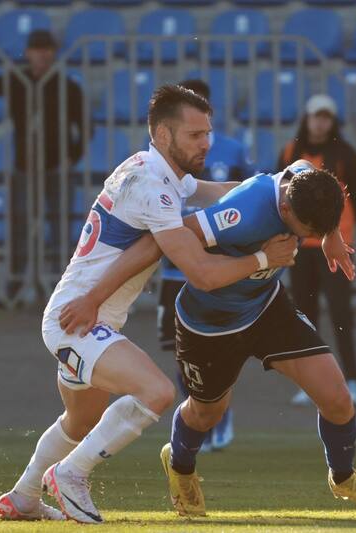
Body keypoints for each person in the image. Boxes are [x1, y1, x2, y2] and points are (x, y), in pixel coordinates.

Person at [0, 85, 298, 523]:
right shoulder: (153, 186)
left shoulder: (157, 172)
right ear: (162, 135)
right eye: (194, 135)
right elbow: (203, 275)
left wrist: (275, 190)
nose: (205, 142)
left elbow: (219, 192)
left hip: (88, 314)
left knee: (79, 423)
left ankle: (22, 496)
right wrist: (266, 258)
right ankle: (72, 474)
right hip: (77, 319)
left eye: (207, 132)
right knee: (157, 392)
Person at [79, 159, 356, 516]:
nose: (306, 237)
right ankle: (179, 466)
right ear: (286, 207)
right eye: (306, 229)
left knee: (338, 398)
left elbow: (306, 169)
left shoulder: (305, 183)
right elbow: (173, 237)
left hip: (265, 307)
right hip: (208, 323)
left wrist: (331, 233)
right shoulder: (243, 210)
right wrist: (261, 258)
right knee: (207, 414)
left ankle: (343, 477)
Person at [156, 78, 252, 453]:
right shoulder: (163, 160)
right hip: (172, 270)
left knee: (219, 351)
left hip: (215, 264)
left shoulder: (230, 149)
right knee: (183, 355)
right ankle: (198, 418)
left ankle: (220, 419)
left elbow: (247, 193)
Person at [0, 22, 87, 293]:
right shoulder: (16, 80)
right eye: (36, 49)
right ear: (28, 52)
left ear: (54, 53)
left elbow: (85, 127)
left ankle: (61, 286)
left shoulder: (66, 86)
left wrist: (72, 157)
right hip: (24, 165)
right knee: (19, 224)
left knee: (59, 224)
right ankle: (15, 285)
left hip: (57, 166)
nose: (42, 55)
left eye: (46, 49)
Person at [277, 94, 356, 407]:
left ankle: (353, 379)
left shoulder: (345, 155)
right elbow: (278, 198)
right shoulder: (291, 152)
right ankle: (310, 383)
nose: (320, 123)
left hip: (336, 247)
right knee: (305, 315)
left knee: (342, 314)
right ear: (307, 118)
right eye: (316, 116)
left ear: (332, 121)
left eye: (326, 117)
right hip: (302, 247)